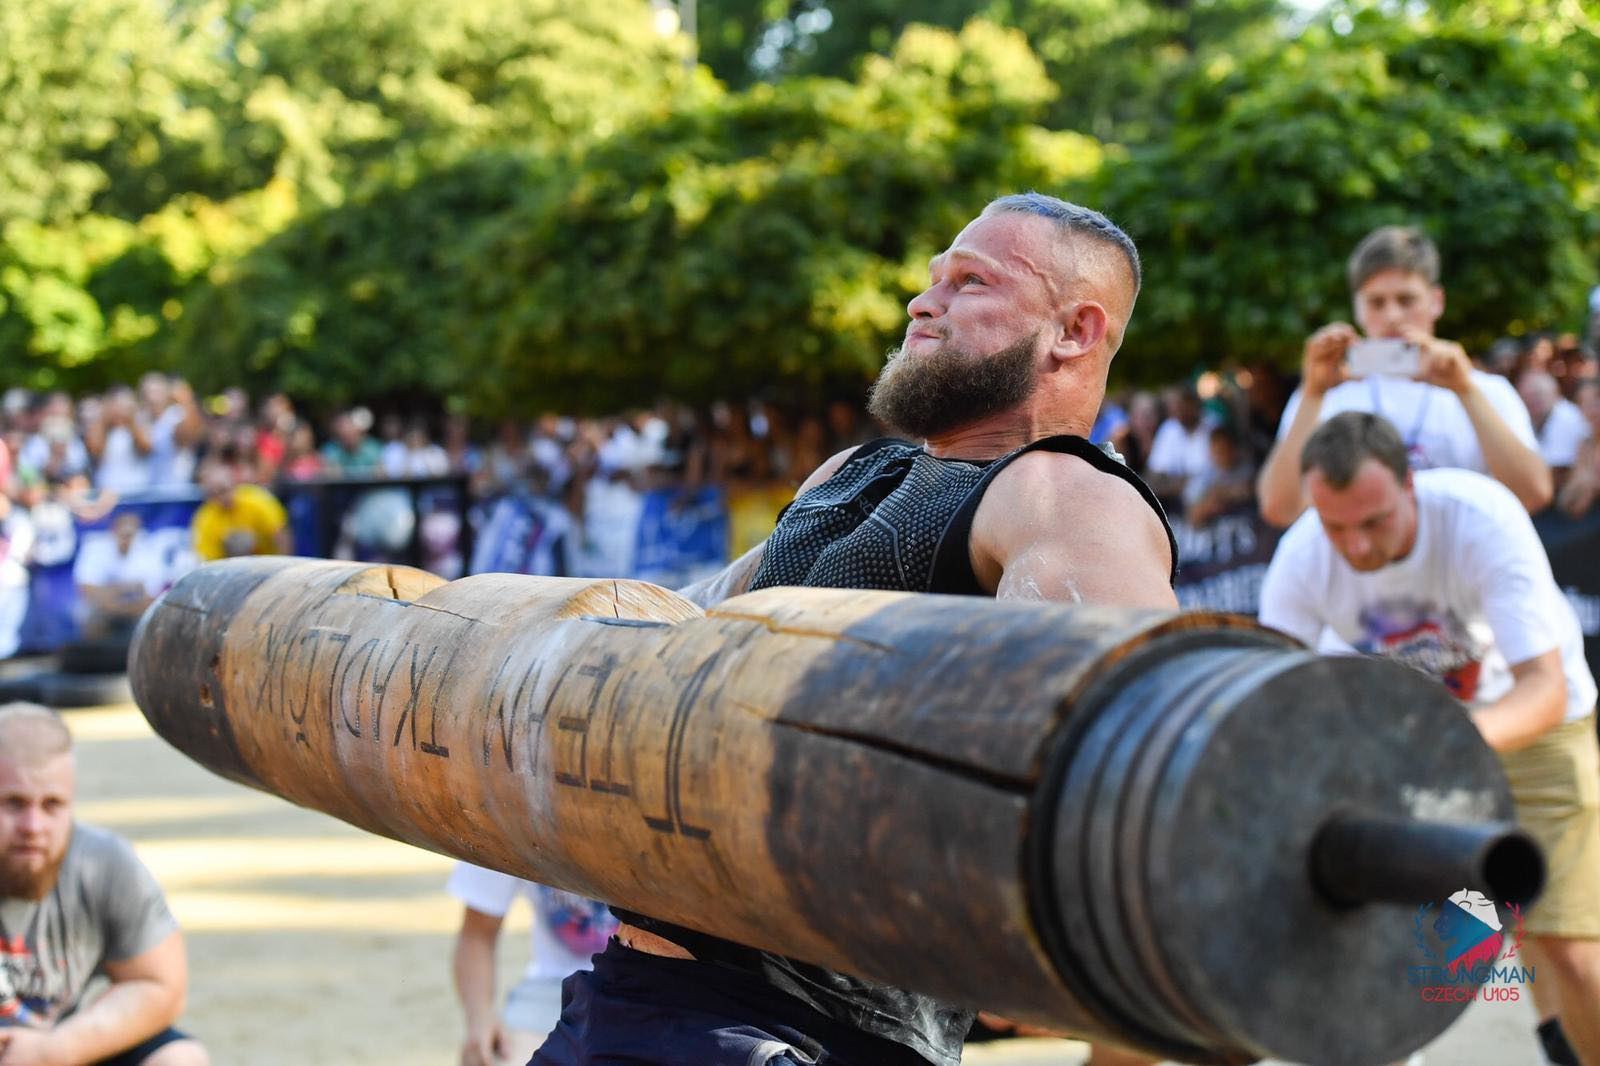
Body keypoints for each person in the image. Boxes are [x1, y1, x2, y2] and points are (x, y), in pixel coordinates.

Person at [530, 193, 1178, 1066]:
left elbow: (1141, 769)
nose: (923, 301)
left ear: (1074, 331)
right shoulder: (852, 473)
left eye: (971, 282)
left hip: (802, 1032)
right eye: (931, 279)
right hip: (627, 996)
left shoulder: (1061, 494)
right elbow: (675, 635)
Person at [1258, 412, 1600, 1066]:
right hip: (1396, 742)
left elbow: (1545, 688)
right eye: (1335, 527)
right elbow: (1277, 697)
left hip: (1533, 725)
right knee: (1383, 944)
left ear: (1411, 486)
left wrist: (1451, 739)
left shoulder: (1482, 520)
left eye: (1373, 523)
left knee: (1570, 948)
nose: (1355, 547)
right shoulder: (1302, 556)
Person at [1256, 225, 1551, 527]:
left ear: (1436, 301)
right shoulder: (1324, 396)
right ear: (1357, 307)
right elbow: (1280, 509)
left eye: (1406, 300)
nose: (1392, 316)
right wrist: (1312, 394)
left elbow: (1532, 494)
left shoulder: (1485, 389)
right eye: (1376, 302)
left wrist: (1465, 391)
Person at [0, 702, 208, 1065]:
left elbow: (160, 984)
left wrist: (54, 1051)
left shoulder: (103, 864)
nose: (33, 827)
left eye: (52, 805)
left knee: (180, 1057)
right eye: (13, 804)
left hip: (48, 1051)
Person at [448, 863, 616, 1066]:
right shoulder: (510, 831)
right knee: (496, 1058)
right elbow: (478, 934)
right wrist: (480, 1016)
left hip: (652, 983)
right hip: (553, 987)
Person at [73, 512, 166, 638]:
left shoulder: (149, 551)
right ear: (113, 531)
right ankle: (95, 655)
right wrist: (123, 596)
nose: (126, 539)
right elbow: (87, 590)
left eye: (130, 534)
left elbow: (152, 596)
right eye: (122, 534)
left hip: (134, 609)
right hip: (102, 608)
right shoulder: (95, 548)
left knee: (156, 618)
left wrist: (120, 601)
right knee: (84, 613)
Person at [190, 462, 290, 562]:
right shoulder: (205, 519)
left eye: (223, 490)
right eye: (213, 494)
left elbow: (281, 535)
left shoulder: (257, 500)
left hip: (269, 565)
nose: (221, 498)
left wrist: (284, 568)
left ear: (233, 484)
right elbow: (208, 560)